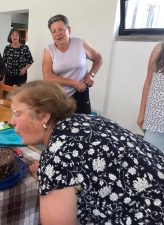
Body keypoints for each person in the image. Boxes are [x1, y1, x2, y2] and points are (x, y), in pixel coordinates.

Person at [10, 80, 164, 225]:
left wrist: (50, 174)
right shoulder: (87, 120)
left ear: (44, 116)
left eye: (17, 113)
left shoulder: (58, 157)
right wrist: (49, 175)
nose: (12, 121)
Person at [42, 14, 103, 114]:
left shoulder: (80, 43)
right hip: (59, 96)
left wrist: (91, 75)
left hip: (81, 93)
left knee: (84, 124)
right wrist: (74, 83)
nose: (57, 33)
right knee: (62, 126)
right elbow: (47, 77)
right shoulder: (49, 50)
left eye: (60, 29)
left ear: (69, 30)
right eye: (53, 31)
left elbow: (99, 58)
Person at [137, 42, 164, 152]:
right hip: (154, 121)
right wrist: (141, 113)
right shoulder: (159, 49)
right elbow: (148, 83)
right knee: (150, 160)